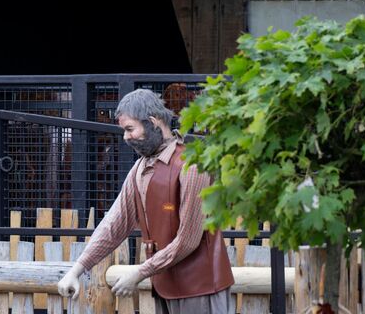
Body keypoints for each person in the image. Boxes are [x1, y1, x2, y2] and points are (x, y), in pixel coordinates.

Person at [57, 89, 235, 314]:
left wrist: (140, 272)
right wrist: (76, 270)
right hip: (164, 286)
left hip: (201, 288)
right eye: (124, 130)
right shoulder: (140, 168)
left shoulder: (192, 164)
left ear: (153, 122)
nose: (125, 137)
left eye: (130, 129)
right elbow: (114, 224)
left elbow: (188, 240)